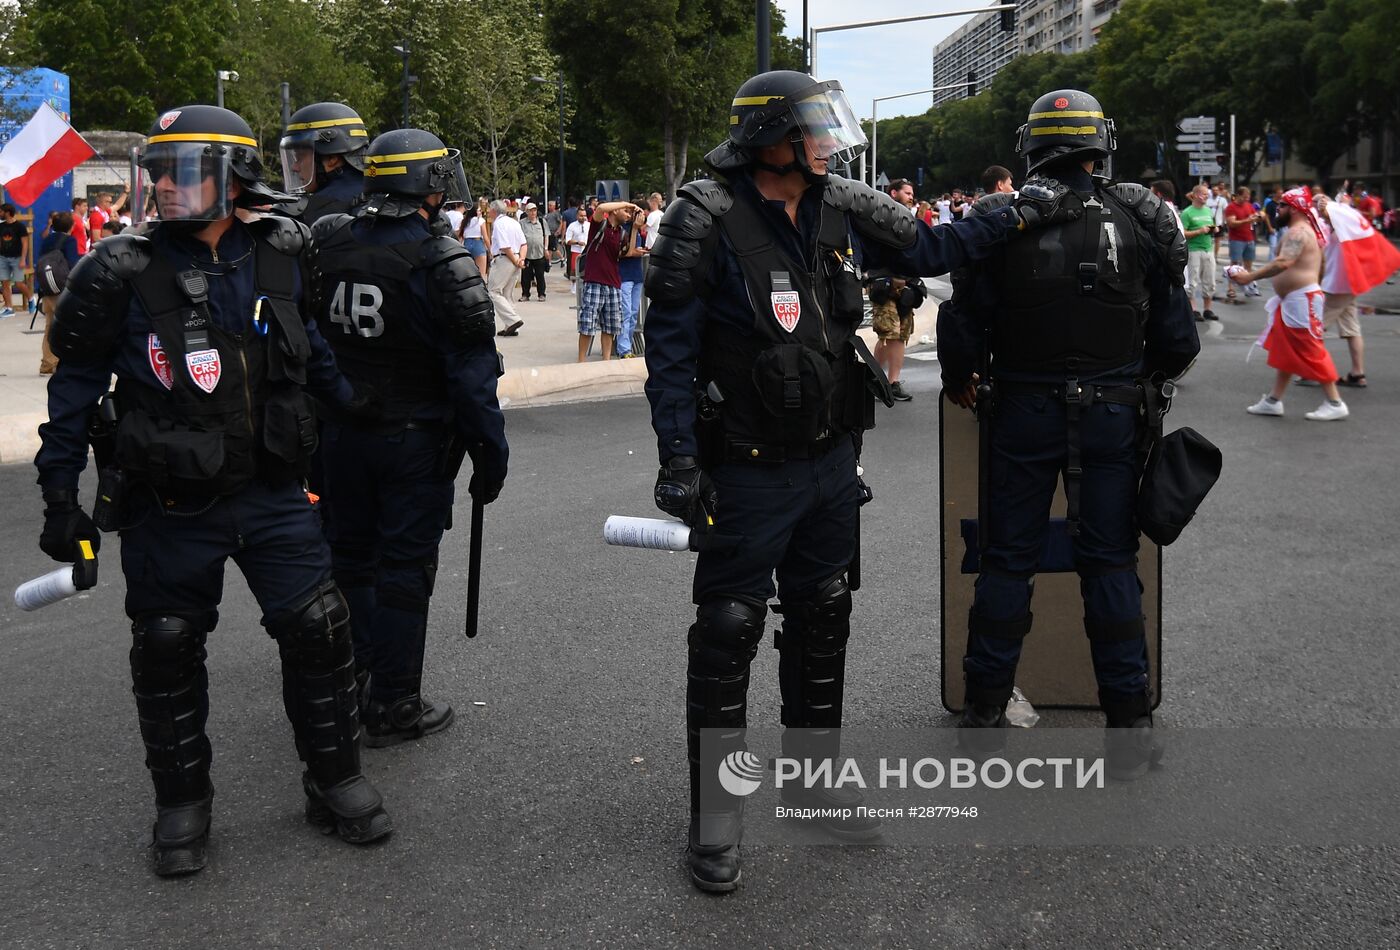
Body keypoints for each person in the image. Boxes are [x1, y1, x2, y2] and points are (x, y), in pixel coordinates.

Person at [644, 69, 1074, 893]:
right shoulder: (702, 217)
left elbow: (934, 247)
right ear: (770, 136)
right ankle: (717, 816)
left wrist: (1016, 209)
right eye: (810, 127)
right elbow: (668, 353)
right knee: (729, 629)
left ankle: (815, 788)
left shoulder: (843, 203)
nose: (825, 140)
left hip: (832, 461)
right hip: (747, 466)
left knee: (823, 616)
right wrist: (678, 460)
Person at [34, 104, 392, 878]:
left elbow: (312, 354)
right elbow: (75, 394)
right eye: (155, 171)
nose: (162, 185)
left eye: (182, 170)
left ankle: (334, 781)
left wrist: (364, 415)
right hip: (169, 504)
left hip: (270, 493)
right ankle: (182, 805)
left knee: (320, 631)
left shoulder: (283, 251)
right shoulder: (118, 272)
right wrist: (59, 494)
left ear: (235, 178)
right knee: (166, 648)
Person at [938, 88, 1198, 783]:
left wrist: (964, 375)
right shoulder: (1144, 215)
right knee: (1111, 563)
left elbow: (963, 324)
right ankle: (1129, 727)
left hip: (1021, 409)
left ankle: (984, 718)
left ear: (1032, 147)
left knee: (1007, 559)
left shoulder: (1002, 217)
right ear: (1099, 146)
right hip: (1115, 412)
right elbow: (1178, 338)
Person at [309, 128, 507, 745]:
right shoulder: (440, 259)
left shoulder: (331, 242)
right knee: (402, 569)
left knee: (350, 561)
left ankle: (357, 678)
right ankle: (394, 702)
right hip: (412, 441)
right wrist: (490, 453)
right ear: (428, 184)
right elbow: (473, 375)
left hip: (341, 435)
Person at [1233, 188, 1348, 420]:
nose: (1278, 209)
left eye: (1283, 205)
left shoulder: (1298, 233)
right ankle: (1274, 401)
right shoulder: (1305, 231)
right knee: (1286, 349)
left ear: (1294, 209)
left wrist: (1249, 277)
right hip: (1297, 300)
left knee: (1311, 349)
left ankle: (1335, 402)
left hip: (1301, 300)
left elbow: (1284, 262)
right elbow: (1322, 264)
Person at [867, 179, 925, 401]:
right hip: (885, 282)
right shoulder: (881, 217)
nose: (911, 196)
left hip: (905, 283)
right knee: (890, 334)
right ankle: (890, 382)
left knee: (899, 334)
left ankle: (877, 378)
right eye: (907, 192)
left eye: (912, 193)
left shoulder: (910, 218)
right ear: (894, 192)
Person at [279, 102, 370, 223]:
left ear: (332, 158)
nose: (294, 167)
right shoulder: (384, 195)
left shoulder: (318, 210)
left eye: (299, 157)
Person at [576, 199, 639, 362]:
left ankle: (606, 361)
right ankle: (581, 362)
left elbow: (628, 252)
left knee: (610, 327)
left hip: (613, 284)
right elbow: (601, 208)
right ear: (616, 211)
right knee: (587, 325)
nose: (628, 215)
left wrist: (635, 229)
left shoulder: (622, 233)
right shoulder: (600, 224)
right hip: (594, 281)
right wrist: (626, 203)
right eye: (626, 211)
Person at [36, 211, 79, 374]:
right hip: (64, 289)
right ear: (72, 226)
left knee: (49, 326)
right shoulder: (70, 241)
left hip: (47, 289)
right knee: (69, 326)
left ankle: (47, 363)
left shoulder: (47, 240)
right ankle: (67, 362)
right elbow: (74, 265)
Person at [485, 199, 526, 336]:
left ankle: (513, 320)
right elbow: (523, 244)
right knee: (507, 293)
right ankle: (511, 325)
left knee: (493, 291)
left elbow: (504, 245)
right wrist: (521, 259)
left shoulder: (499, 224)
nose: (489, 212)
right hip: (515, 257)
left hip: (505, 258)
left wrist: (515, 260)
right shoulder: (514, 222)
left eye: (490, 209)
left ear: (494, 210)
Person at [1180, 184, 1218, 321]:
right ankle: (1193, 309)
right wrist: (1199, 231)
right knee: (1193, 281)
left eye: (1207, 195)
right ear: (1195, 195)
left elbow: (1211, 225)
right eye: (1203, 194)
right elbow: (1182, 232)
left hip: (1208, 249)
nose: (1206, 197)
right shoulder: (1187, 213)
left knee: (1209, 280)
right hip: (1194, 250)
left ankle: (1208, 309)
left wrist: (1214, 229)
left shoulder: (1208, 211)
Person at [616, 206, 647, 358]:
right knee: (626, 312)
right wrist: (634, 228)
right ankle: (624, 348)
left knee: (634, 313)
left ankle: (625, 344)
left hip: (637, 275)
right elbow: (629, 251)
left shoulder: (640, 230)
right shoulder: (624, 229)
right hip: (625, 275)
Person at [1225, 187, 1264, 301]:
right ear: (1238, 195)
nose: (1246, 199)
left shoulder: (1248, 205)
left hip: (1249, 238)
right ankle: (1231, 288)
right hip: (1236, 239)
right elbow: (1231, 223)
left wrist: (1259, 217)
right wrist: (1247, 220)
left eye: (1248, 197)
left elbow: (1254, 216)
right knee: (1234, 264)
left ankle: (1249, 287)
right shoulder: (1231, 207)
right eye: (1244, 197)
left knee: (1248, 265)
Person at [0, 202, 32, 315]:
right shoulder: (1, 226)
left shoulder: (20, 227)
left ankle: (31, 298)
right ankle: (9, 307)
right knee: (4, 282)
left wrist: (23, 259)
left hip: (17, 258)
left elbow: (25, 243)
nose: (0, 214)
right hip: (3, 257)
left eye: (1, 212)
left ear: (7, 213)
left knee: (19, 283)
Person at [518, 201, 549, 301]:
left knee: (540, 275)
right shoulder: (522, 223)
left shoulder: (542, 221)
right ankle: (525, 294)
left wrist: (546, 249)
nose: (533, 213)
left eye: (534, 210)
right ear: (526, 212)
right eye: (530, 211)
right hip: (526, 253)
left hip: (539, 252)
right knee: (526, 275)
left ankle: (541, 294)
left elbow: (546, 236)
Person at [564, 210, 589, 294]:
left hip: (587, 250)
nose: (583, 217)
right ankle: (573, 285)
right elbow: (567, 240)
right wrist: (577, 243)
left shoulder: (589, 225)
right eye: (581, 215)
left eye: (584, 215)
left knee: (587, 269)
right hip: (576, 250)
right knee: (574, 269)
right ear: (577, 216)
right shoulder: (572, 226)